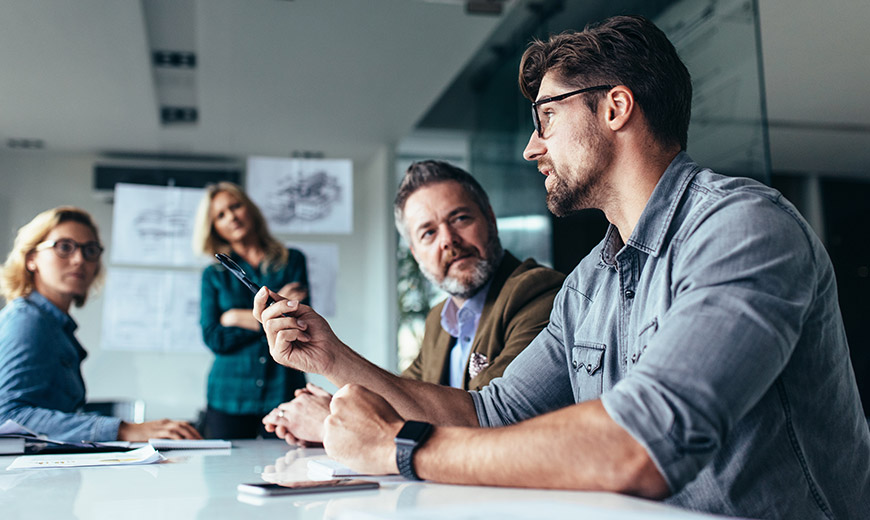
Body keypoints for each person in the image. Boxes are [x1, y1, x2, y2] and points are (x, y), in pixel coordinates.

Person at [253, 15, 870, 519]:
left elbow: (641, 446)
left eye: (547, 116)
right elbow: (487, 415)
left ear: (616, 107)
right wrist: (329, 356)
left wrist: (400, 448)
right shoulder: (590, 283)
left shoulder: (742, 228)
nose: (531, 148)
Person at [261, 161, 565, 445]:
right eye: (428, 233)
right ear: (415, 252)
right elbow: (402, 399)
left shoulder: (538, 293)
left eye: (460, 218)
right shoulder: (439, 320)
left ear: (490, 218)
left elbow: (486, 421)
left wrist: (332, 421)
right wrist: (340, 406)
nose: (448, 240)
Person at [0, 206, 201, 443]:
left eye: (90, 250)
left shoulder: (54, 325)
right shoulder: (27, 321)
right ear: (31, 258)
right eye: (64, 247)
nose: (79, 259)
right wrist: (123, 429)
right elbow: (7, 417)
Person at [193, 182, 308, 439]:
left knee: (287, 470)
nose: (231, 216)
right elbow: (214, 337)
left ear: (250, 209)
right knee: (225, 475)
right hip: (229, 395)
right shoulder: (214, 275)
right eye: (220, 215)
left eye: (235, 206)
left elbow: (298, 323)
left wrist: (234, 317)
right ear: (214, 228)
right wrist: (272, 317)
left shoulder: (292, 261)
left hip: (283, 390)